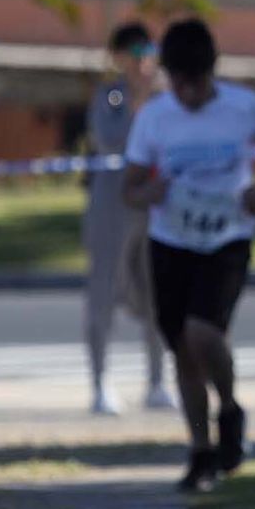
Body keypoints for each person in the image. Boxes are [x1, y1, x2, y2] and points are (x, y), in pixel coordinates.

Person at [121, 19, 255, 492]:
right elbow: (130, 187)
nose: (188, 93)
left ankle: (229, 408)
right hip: (171, 240)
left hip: (228, 235)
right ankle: (200, 450)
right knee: (182, 350)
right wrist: (149, 192)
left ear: (212, 71)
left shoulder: (243, 106)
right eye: (179, 83)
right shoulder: (155, 117)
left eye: (196, 82)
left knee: (204, 333)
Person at [85, 22, 174, 415]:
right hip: (112, 206)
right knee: (103, 293)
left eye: (149, 53)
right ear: (120, 58)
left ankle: (157, 382)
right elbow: (109, 140)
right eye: (136, 55)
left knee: (158, 295)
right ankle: (100, 382)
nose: (143, 63)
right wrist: (137, 102)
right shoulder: (112, 96)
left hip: (154, 207)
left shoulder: (167, 98)